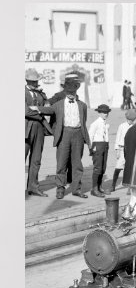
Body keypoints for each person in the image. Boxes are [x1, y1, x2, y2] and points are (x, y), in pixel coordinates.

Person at [33, 74, 91, 199]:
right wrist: (37, 108)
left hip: (78, 135)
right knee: (61, 163)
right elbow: (48, 110)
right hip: (64, 134)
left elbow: (83, 121)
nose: (70, 94)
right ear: (65, 91)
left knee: (77, 164)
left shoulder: (82, 105)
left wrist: (82, 135)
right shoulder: (59, 104)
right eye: (68, 92)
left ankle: (77, 189)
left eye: (73, 92)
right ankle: (60, 188)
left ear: (76, 91)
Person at [25, 69, 52, 197]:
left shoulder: (41, 93)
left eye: (36, 81)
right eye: (34, 82)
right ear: (28, 81)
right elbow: (26, 112)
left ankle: (33, 187)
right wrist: (40, 115)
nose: (36, 84)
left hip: (39, 130)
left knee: (36, 159)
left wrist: (39, 109)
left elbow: (47, 108)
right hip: (25, 129)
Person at [88, 104, 112, 197]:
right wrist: (92, 148)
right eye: (103, 112)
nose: (105, 114)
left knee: (103, 167)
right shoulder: (95, 123)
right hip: (97, 146)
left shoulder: (105, 123)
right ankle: (94, 189)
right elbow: (90, 136)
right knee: (97, 168)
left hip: (105, 145)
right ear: (99, 113)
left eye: (107, 112)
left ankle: (99, 187)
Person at [112, 109, 136, 192]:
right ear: (126, 119)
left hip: (131, 150)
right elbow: (118, 137)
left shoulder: (134, 126)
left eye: (132, 120)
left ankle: (130, 187)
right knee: (118, 167)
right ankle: (113, 185)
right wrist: (117, 150)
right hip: (122, 149)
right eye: (129, 120)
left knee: (130, 168)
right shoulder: (122, 126)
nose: (130, 121)